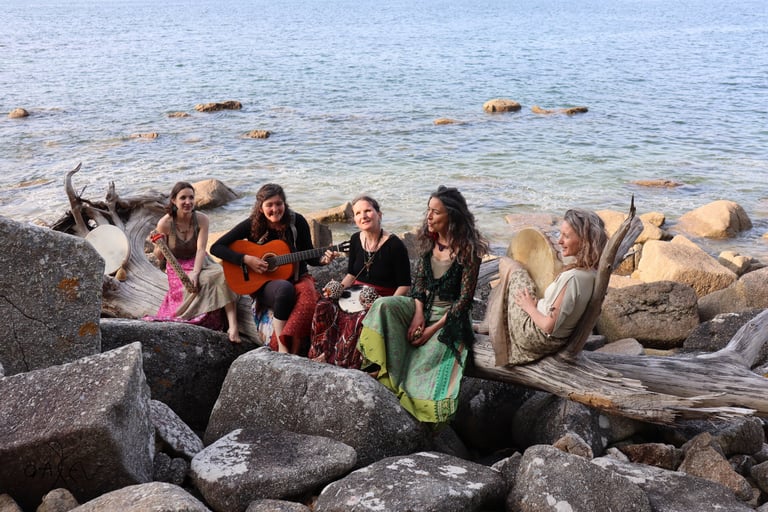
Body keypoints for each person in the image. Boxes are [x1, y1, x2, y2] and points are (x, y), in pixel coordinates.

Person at [357, 185, 489, 424]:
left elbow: (464, 301)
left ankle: (414, 396)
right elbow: (418, 283)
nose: (428, 216)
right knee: (384, 305)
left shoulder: (468, 251)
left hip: (450, 317)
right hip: (423, 307)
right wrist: (418, 314)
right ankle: (380, 367)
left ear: (451, 216)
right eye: (428, 210)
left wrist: (430, 330)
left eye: (435, 212)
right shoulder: (430, 240)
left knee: (426, 360)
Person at [210, 183, 334, 354]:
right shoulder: (252, 224)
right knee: (285, 289)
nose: (275, 209)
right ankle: (281, 346)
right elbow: (216, 248)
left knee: (308, 300)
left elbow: (311, 256)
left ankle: (297, 350)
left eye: (279, 204)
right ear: (260, 207)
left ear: (285, 204)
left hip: (298, 277)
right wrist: (246, 259)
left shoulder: (297, 222)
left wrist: (323, 260)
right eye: (269, 205)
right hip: (264, 283)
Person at [490, 208, 607, 366]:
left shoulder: (573, 279)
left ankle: (491, 326)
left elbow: (548, 326)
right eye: (560, 234)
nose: (559, 241)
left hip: (534, 337)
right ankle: (490, 324)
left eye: (566, 236)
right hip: (554, 340)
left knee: (510, 266)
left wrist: (529, 307)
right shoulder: (593, 273)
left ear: (585, 241)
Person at [308, 195, 411, 368]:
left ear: (379, 214)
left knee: (357, 318)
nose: (363, 216)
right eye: (358, 213)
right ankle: (322, 352)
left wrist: (384, 305)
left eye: (368, 211)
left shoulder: (395, 245)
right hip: (354, 294)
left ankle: (342, 361)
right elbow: (351, 274)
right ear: (354, 219)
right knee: (324, 305)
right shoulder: (356, 239)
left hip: (380, 299)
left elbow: (405, 285)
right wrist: (337, 289)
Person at [145, 181, 241, 342]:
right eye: (183, 198)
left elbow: (201, 249)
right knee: (200, 284)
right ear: (174, 200)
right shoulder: (165, 223)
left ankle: (233, 326)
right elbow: (160, 257)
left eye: (191, 197)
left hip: (200, 260)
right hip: (177, 265)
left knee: (222, 274)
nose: (188, 202)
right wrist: (159, 244)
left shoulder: (202, 219)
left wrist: (196, 272)